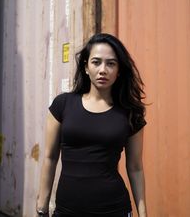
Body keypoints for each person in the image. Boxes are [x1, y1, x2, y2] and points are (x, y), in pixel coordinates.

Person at [36, 33, 147, 217]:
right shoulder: (62, 105)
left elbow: (135, 167)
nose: (103, 70)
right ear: (86, 67)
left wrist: (143, 214)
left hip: (114, 210)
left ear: (119, 70)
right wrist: (42, 208)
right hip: (66, 211)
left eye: (111, 63)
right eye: (96, 62)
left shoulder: (130, 113)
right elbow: (50, 158)